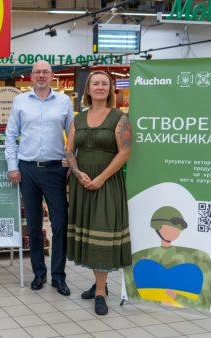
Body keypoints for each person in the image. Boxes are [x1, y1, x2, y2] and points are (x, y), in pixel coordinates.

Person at [65, 70, 132, 315]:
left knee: (101, 232)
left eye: (105, 83)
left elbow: (125, 152)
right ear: (88, 89)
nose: (100, 87)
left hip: (107, 182)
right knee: (90, 234)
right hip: (83, 183)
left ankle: (101, 292)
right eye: (96, 83)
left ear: (110, 89)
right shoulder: (78, 119)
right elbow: (69, 150)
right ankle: (98, 284)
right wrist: (77, 172)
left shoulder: (118, 118)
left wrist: (101, 178)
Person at [5, 60, 73, 296]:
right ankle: (39, 273)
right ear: (31, 76)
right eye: (37, 72)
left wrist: (71, 165)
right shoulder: (20, 101)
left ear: (52, 76)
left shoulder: (64, 101)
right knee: (33, 225)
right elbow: (11, 135)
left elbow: (72, 135)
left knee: (60, 223)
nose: (41, 75)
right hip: (28, 170)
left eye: (46, 72)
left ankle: (58, 276)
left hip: (55, 170)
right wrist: (12, 167)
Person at [124, 206, 211, 312]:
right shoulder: (138, 257)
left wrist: (177, 297)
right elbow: (131, 290)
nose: (175, 231)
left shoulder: (200, 258)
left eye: (178, 228)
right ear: (157, 226)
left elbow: (204, 302)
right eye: (171, 226)